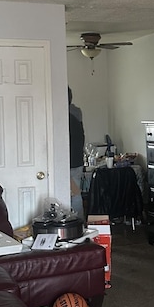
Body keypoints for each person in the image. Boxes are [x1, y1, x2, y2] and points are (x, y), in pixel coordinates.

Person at [69, 88, 85, 219]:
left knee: (73, 195)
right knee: (76, 193)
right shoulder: (76, 112)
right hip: (78, 160)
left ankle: (76, 224)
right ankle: (79, 224)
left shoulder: (62, 113)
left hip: (68, 162)